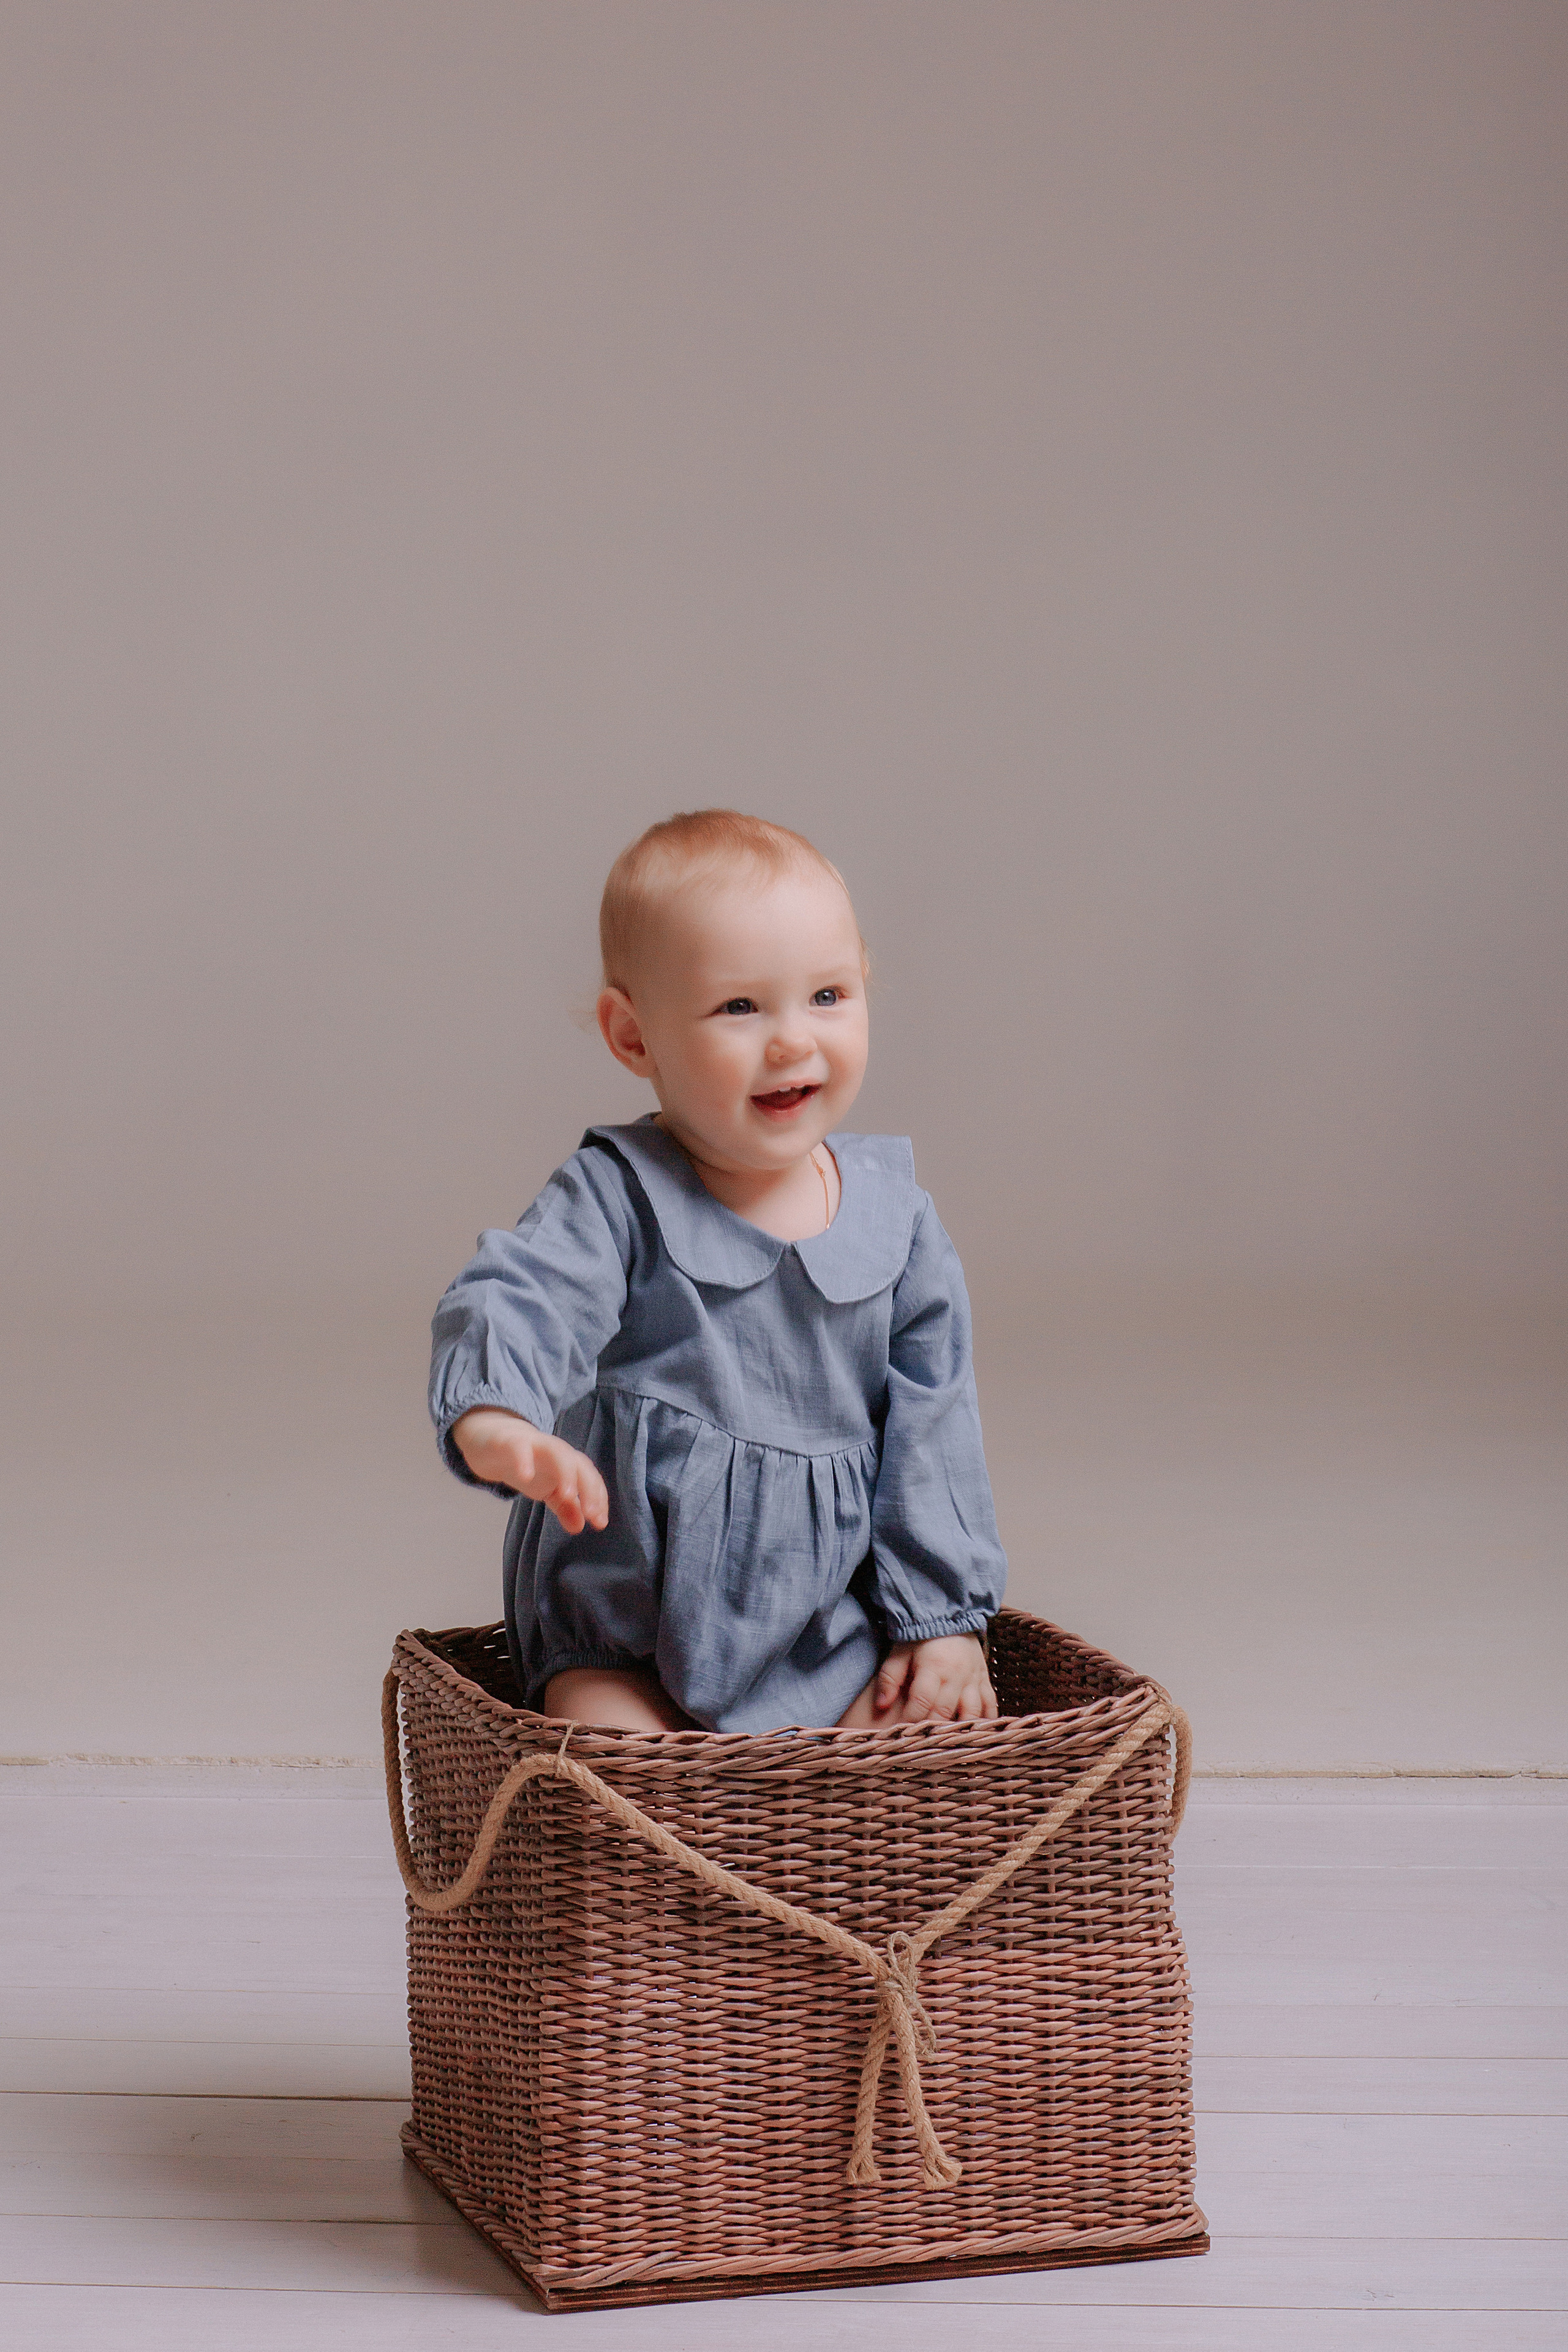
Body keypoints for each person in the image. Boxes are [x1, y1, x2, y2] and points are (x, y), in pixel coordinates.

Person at [429, 809, 1007, 1733]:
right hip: (631, 1624)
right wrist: (500, 1414)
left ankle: (809, 1848)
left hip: (827, 1626)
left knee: (920, 1727)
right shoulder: (617, 1195)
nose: (792, 1040)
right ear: (633, 1038)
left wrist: (942, 1622)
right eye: (740, 1007)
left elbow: (934, 1432)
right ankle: (660, 1845)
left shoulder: (897, 1221)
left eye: (828, 996)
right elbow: (525, 1288)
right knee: (608, 1750)